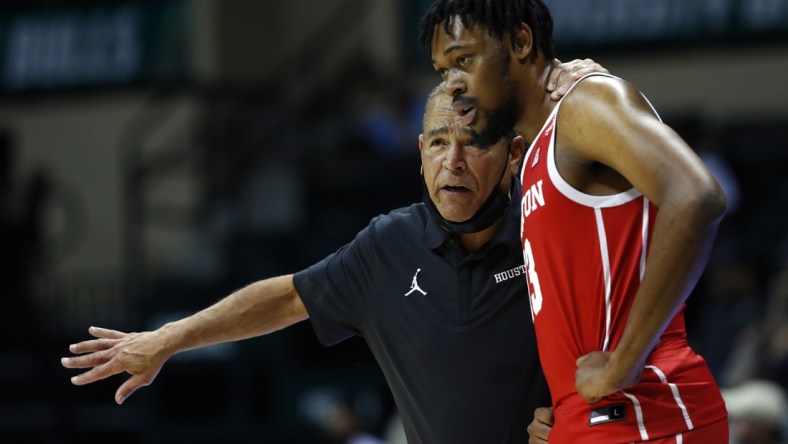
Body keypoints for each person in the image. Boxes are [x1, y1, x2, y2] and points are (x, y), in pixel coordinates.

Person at [61, 60, 606, 444]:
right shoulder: (388, 246)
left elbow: (628, 328)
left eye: (473, 143)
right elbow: (284, 298)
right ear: (419, 154)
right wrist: (167, 340)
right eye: (439, 142)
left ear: (513, 155)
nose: (453, 161)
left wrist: (580, 420)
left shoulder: (547, 230)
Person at [421, 1, 729, 443]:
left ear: (521, 42)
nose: (452, 86)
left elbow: (697, 197)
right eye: (442, 70)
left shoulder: (585, 103)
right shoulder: (533, 154)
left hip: (646, 414)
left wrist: (623, 364)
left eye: (463, 60)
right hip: (589, 420)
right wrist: (562, 407)